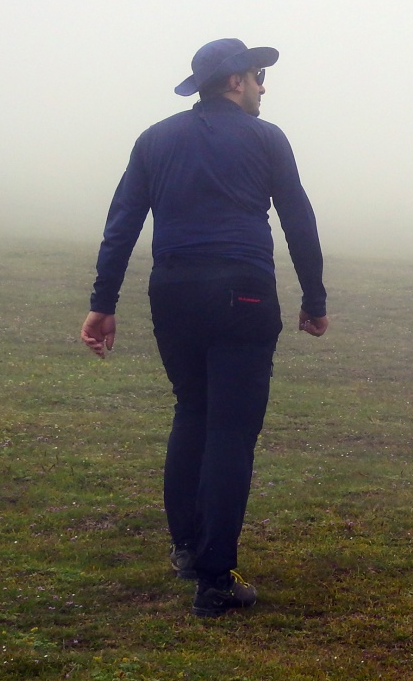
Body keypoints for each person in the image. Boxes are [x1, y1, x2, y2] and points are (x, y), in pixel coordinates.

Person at [80, 38, 330, 618]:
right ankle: (216, 579)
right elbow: (299, 220)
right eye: (259, 77)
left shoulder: (155, 139)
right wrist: (313, 298)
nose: (265, 87)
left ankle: (189, 550)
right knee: (231, 430)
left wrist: (103, 302)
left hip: (171, 291)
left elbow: (122, 223)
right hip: (242, 290)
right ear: (236, 81)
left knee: (191, 410)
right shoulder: (267, 139)